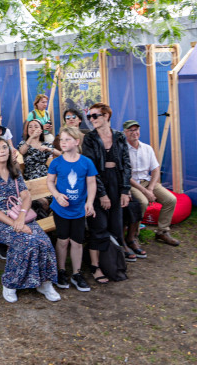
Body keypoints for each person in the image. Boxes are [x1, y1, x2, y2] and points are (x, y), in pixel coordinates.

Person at [0, 137, 60, 303]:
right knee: (25, 241)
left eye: (4, 147)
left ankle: (44, 283)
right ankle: (10, 283)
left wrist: (22, 217)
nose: (2, 150)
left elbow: (26, 196)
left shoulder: (15, 172)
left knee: (43, 241)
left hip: (19, 216)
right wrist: (17, 225)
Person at [82, 103, 132, 283]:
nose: (92, 119)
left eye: (95, 115)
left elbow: (126, 164)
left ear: (106, 116)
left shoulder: (119, 136)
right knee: (99, 225)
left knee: (116, 226)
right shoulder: (90, 138)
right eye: (90, 116)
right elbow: (91, 168)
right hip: (96, 184)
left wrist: (126, 190)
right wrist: (102, 194)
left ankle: (113, 263)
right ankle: (95, 267)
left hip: (117, 183)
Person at [47, 127, 97, 292]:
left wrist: (90, 202)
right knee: (63, 240)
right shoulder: (56, 162)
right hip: (60, 209)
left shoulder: (86, 162)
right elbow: (50, 182)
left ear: (77, 142)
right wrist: (57, 195)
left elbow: (91, 183)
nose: (63, 143)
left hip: (78, 210)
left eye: (67, 139)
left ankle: (76, 273)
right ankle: (61, 271)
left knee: (77, 241)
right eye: (61, 140)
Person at [123, 120, 179, 247]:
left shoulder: (147, 148)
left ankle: (162, 231)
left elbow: (155, 169)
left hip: (147, 182)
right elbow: (125, 176)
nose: (134, 132)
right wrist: (145, 192)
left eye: (136, 129)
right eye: (130, 130)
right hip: (132, 183)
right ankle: (133, 236)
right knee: (142, 202)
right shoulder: (123, 150)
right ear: (125, 132)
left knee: (171, 199)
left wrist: (151, 188)